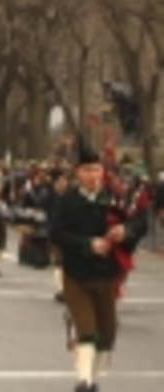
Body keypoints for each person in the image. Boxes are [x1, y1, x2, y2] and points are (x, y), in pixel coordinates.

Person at [50, 139, 148, 392]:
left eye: (96, 169)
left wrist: (125, 231)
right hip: (76, 274)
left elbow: (140, 223)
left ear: (102, 171)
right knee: (86, 329)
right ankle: (83, 381)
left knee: (106, 335)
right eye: (86, 170)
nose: (92, 175)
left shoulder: (117, 198)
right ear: (77, 173)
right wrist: (87, 245)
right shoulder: (67, 201)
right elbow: (56, 233)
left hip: (107, 274)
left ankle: (91, 379)